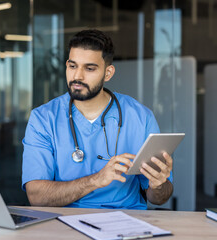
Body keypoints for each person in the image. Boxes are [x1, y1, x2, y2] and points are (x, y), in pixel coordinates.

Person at [22, 29, 173, 209]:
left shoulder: (141, 118)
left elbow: (159, 198)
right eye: (72, 66)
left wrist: (159, 185)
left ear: (108, 73)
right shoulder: (43, 119)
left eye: (89, 68)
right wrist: (97, 180)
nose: (77, 76)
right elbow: (37, 197)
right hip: (64, 223)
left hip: (126, 221)